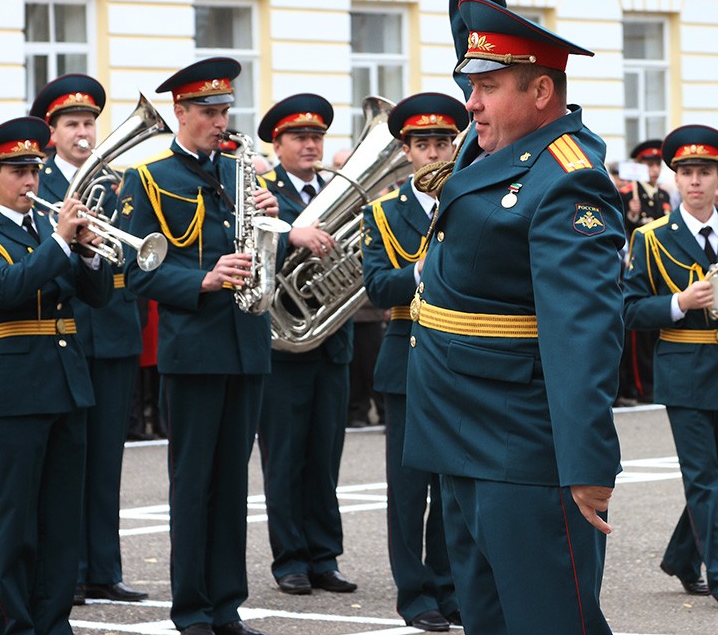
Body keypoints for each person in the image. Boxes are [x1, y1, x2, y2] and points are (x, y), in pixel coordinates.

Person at [403, 0, 624, 635]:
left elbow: (583, 332)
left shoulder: (566, 178)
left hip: (520, 445)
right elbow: (482, 41)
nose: (469, 105)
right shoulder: (501, 136)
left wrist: (589, 464)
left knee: (549, 618)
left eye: (487, 89)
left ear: (541, 93)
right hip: (460, 428)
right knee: (488, 618)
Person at [118, 57, 277, 635]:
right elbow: (137, 273)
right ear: (180, 112)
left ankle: (227, 605)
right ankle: (191, 609)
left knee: (233, 482)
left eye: (224, 111)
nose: (219, 122)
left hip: (246, 344)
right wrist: (202, 278)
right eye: (208, 112)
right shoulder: (149, 177)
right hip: (194, 346)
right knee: (194, 482)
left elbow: (261, 253)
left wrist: (269, 220)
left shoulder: (241, 172)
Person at [0, 116, 112, 635]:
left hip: (67, 381)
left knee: (64, 520)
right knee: (17, 521)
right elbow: (5, 288)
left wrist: (87, 253)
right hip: (15, 386)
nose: (30, 183)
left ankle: (53, 621)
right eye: (17, 172)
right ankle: (17, 626)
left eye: (34, 172)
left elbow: (100, 296)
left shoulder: (48, 229)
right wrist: (62, 244)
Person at [623, 124, 718, 612]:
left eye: (704, 172)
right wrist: (678, 302)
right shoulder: (650, 238)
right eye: (686, 172)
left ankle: (683, 557)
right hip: (683, 367)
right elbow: (628, 309)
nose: (695, 181)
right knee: (703, 476)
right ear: (674, 179)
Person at [30, 74, 148, 604]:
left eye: (88, 123)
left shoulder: (119, 184)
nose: (83, 132)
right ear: (51, 133)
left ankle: (105, 566)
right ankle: (69, 568)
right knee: (69, 458)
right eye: (72, 124)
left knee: (107, 457)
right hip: (68, 331)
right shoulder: (38, 188)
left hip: (117, 330)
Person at [361, 92, 464, 632]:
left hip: (457, 357)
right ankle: (415, 594)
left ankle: (450, 588)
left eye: (443, 142)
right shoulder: (382, 212)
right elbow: (378, 287)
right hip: (405, 355)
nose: (434, 152)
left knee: (452, 483)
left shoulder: (470, 202)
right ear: (406, 151)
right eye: (423, 144)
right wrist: (422, 271)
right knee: (408, 489)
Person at [256, 94, 357, 596]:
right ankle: (290, 558)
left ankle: (324, 556)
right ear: (277, 144)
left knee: (325, 455)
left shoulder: (341, 189)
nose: (311, 145)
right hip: (283, 347)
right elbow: (249, 253)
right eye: (300, 137)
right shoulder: (261, 192)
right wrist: (289, 235)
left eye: (317, 137)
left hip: (331, 342)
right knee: (286, 455)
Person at [620, 139, 672, 403]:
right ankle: (641, 385)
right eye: (648, 164)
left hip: (660, 264)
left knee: (656, 327)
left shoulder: (662, 195)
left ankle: (654, 380)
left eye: (657, 164)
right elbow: (620, 229)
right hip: (636, 263)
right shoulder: (630, 193)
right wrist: (631, 214)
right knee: (639, 332)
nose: (654, 169)